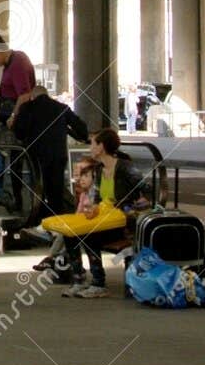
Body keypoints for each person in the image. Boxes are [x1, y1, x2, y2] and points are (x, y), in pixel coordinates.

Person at [43, 127, 149, 298]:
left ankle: (98, 283)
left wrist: (131, 208)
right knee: (71, 234)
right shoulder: (99, 170)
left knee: (89, 235)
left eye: (93, 144)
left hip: (125, 224)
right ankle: (79, 279)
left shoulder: (125, 168)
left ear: (101, 147)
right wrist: (93, 208)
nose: (90, 148)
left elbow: (148, 190)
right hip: (107, 221)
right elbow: (100, 200)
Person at [9, 84, 89, 225]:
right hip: (58, 156)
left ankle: (38, 220)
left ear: (33, 96)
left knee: (38, 189)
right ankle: (57, 221)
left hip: (36, 157)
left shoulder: (27, 108)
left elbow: (19, 133)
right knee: (55, 189)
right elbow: (82, 129)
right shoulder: (61, 108)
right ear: (47, 94)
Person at [0, 45, 36, 123]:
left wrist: (13, 117)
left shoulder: (18, 62)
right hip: (10, 110)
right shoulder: (11, 62)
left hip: (17, 115)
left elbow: (25, 95)